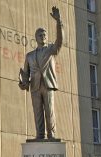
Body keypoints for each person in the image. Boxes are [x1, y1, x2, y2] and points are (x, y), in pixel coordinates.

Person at [19, 6, 64, 140]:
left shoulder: (51, 50)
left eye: (45, 35)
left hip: (48, 84)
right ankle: (40, 135)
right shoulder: (29, 56)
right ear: (36, 38)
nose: (43, 37)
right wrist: (23, 83)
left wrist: (58, 21)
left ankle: (51, 135)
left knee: (49, 112)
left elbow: (60, 41)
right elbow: (25, 74)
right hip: (35, 87)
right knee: (37, 112)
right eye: (40, 35)